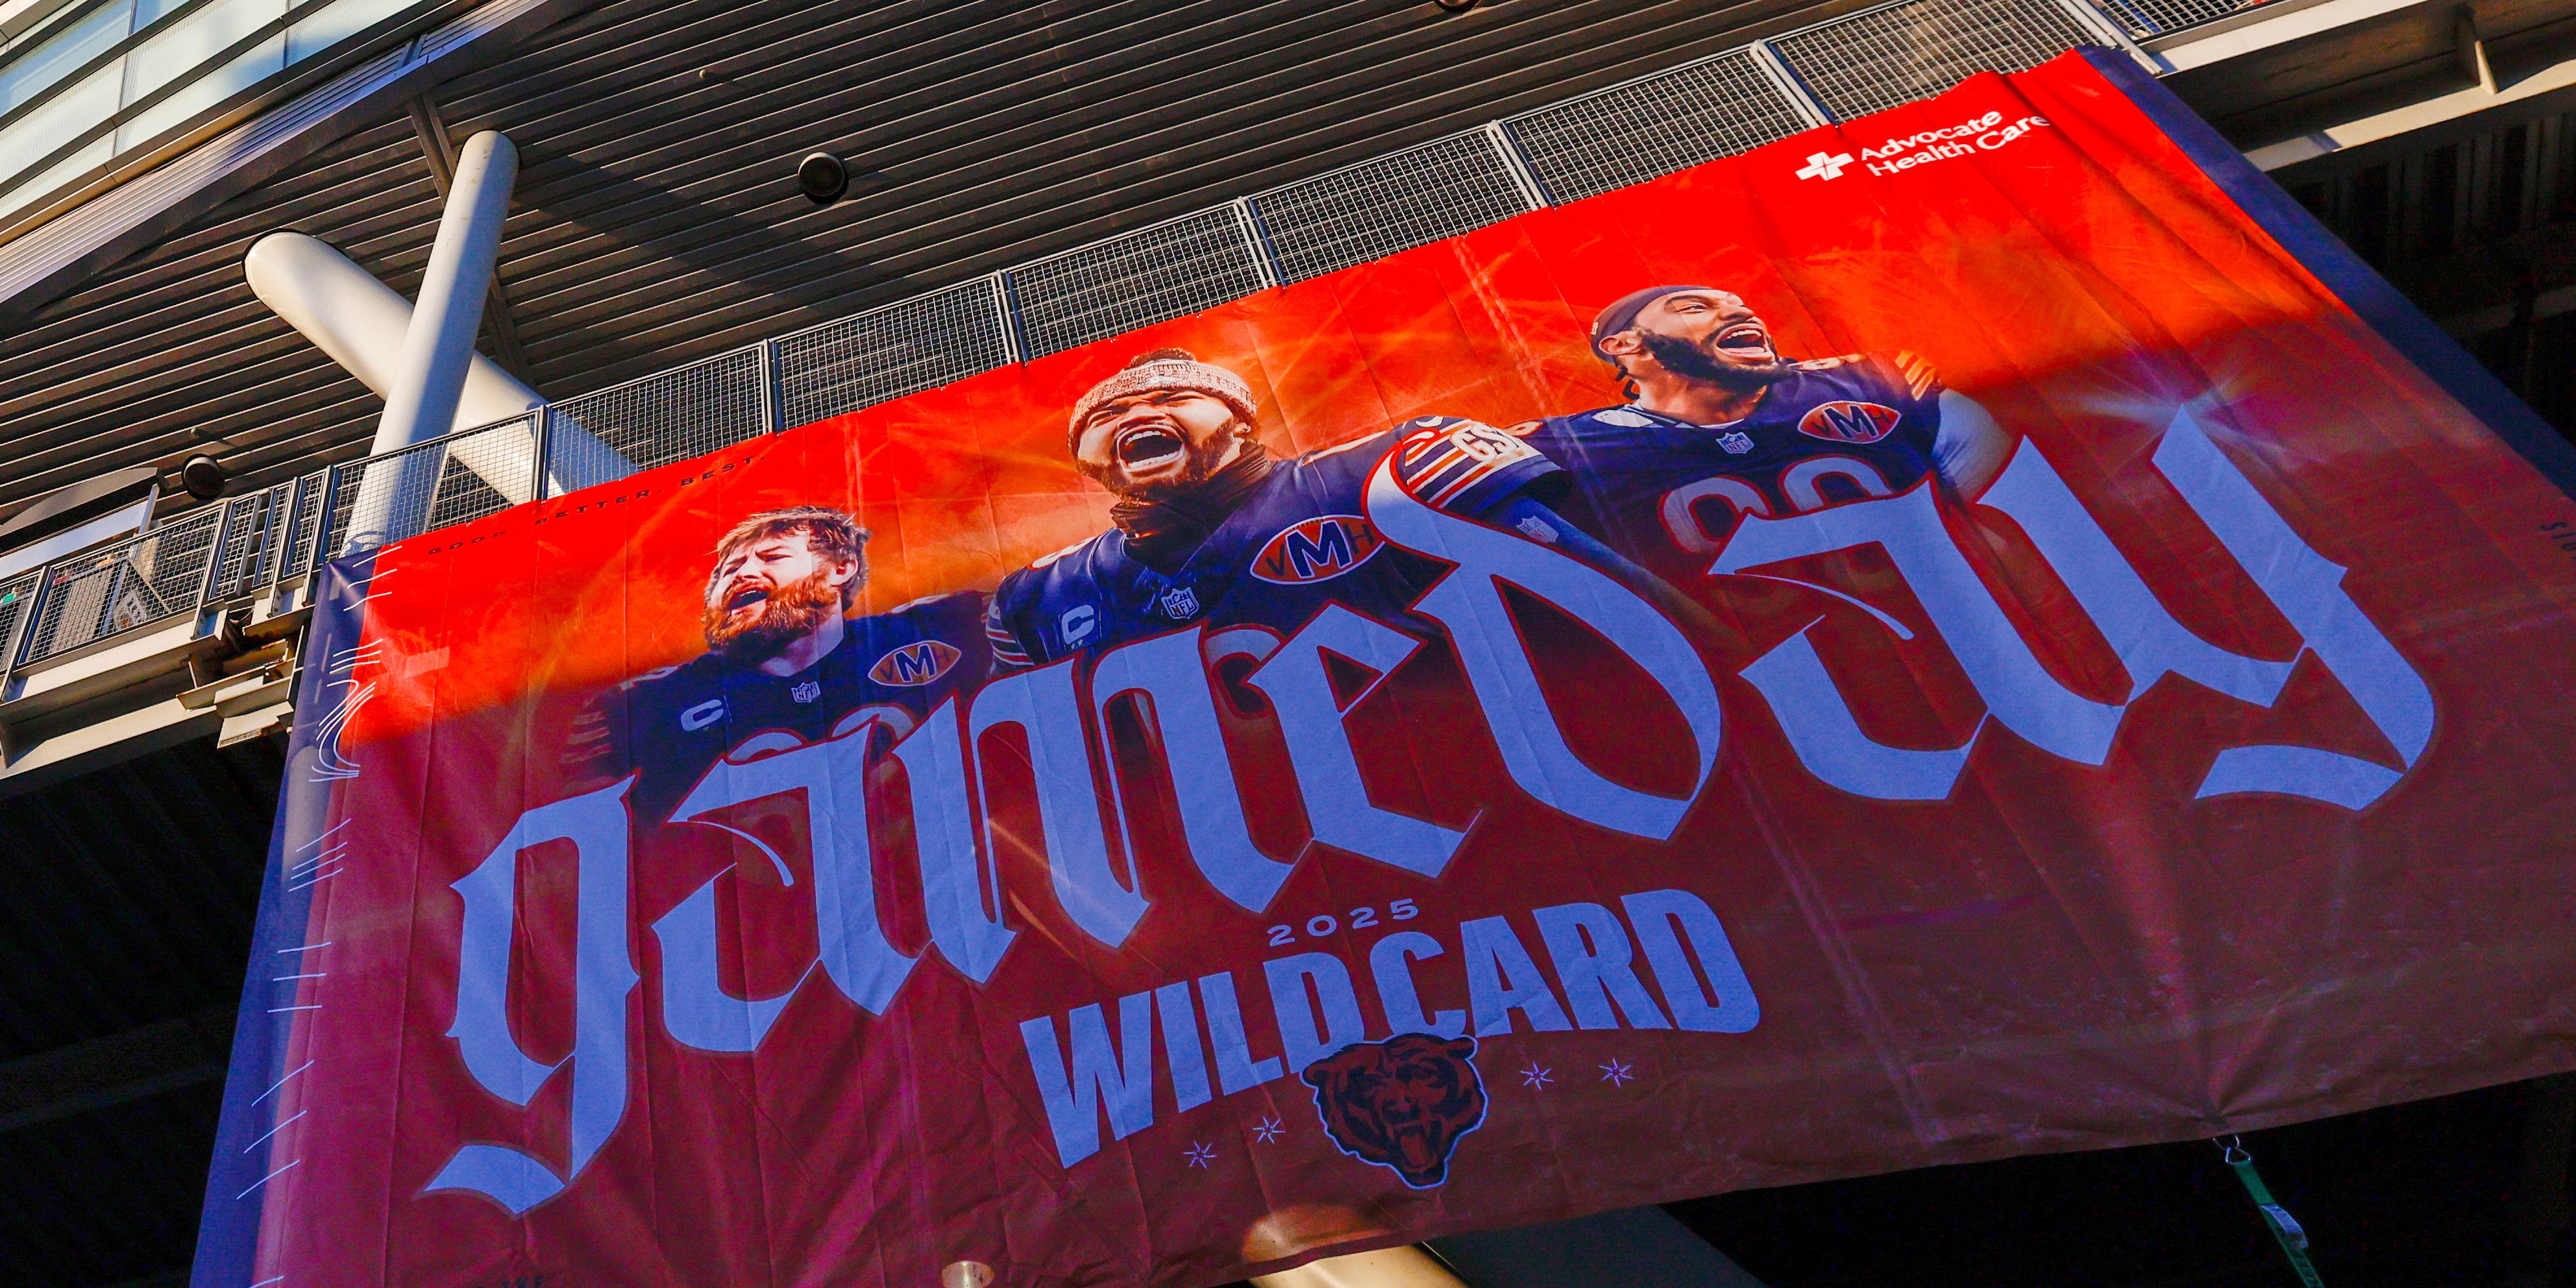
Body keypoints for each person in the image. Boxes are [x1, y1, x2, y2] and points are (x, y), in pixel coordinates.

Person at [983, 350, 1671, 662]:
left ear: (1240, 424)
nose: (1139, 414)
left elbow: (1634, 618)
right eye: (1111, 414)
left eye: (1169, 400)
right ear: (1088, 462)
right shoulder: (1038, 599)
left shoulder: (1389, 468)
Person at [1519, 284, 2010, 603]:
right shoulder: (1563, 447)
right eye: (1695, 308)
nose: (1738, 311)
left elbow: (2003, 507)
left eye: (1739, 304)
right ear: (1626, 345)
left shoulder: (1873, 384)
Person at [597, 507, 1000, 814]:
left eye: (772, 557)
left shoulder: (946, 626)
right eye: (730, 569)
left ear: (840, 569)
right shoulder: (646, 706)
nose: (741, 575)